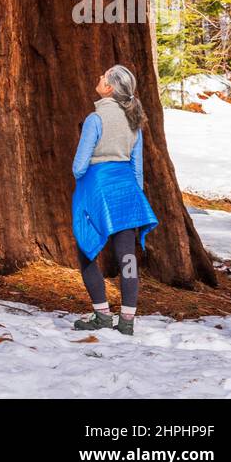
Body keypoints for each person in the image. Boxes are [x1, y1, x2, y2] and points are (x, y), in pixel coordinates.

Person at [71, 64, 158, 336]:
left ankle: (102, 315)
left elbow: (79, 166)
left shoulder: (95, 119)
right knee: (128, 257)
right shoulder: (134, 120)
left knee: (87, 251)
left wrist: (86, 181)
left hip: (98, 188)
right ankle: (128, 320)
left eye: (103, 76)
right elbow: (137, 168)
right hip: (127, 191)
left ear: (109, 88)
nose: (99, 77)